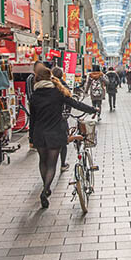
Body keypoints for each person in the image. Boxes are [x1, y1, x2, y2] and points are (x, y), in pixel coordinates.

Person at [30, 64, 97, 208]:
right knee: (52, 165)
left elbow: (32, 119)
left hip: (39, 133)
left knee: (43, 162)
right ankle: (46, 189)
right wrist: (92, 109)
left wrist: (31, 138)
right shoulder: (57, 92)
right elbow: (76, 104)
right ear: (50, 78)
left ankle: (45, 187)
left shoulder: (34, 96)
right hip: (55, 132)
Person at [51, 66, 70, 172]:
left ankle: (51, 165)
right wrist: (66, 114)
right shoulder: (64, 87)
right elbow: (70, 103)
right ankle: (63, 163)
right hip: (61, 120)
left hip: (49, 120)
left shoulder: (48, 87)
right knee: (63, 142)